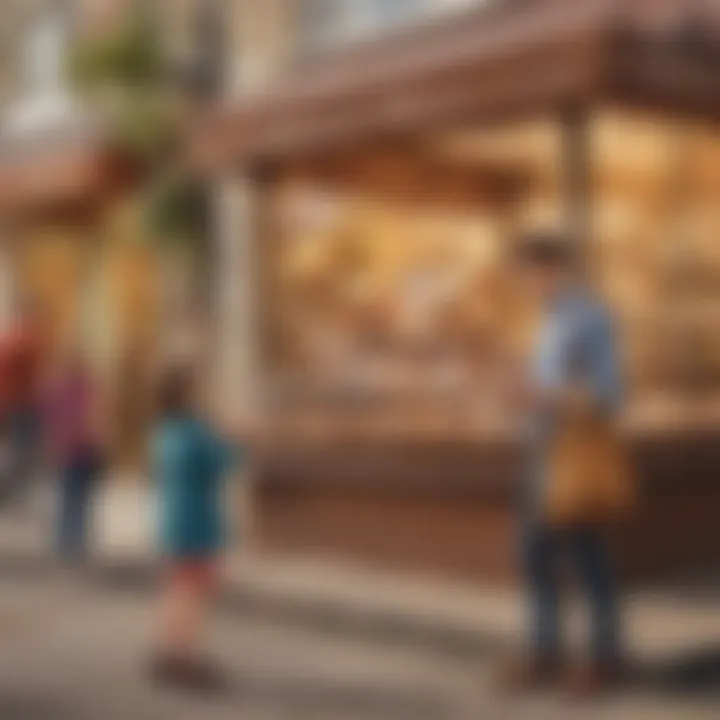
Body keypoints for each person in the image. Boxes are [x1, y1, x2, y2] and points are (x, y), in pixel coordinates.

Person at [503, 231, 623, 697]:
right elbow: (546, 385)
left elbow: (609, 394)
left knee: (588, 560)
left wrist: (540, 394)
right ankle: (545, 652)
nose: (527, 283)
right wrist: (520, 391)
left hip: (573, 458)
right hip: (540, 452)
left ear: (555, 270)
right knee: (534, 558)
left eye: (531, 273)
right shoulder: (546, 321)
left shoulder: (590, 318)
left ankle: (604, 658)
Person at [150, 366, 241, 689]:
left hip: (173, 520)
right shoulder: (194, 432)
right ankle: (187, 655)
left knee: (178, 588)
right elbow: (227, 461)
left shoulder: (165, 431)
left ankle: (168, 650)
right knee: (194, 591)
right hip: (198, 522)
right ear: (188, 394)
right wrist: (231, 434)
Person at [43, 350, 105, 566]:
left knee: (73, 498)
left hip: (76, 450)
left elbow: (93, 419)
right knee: (74, 498)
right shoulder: (77, 390)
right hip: (75, 450)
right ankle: (71, 541)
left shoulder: (70, 390)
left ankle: (71, 541)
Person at [0, 298, 44, 503]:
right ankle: (12, 493)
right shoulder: (24, 341)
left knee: (15, 451)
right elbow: (32, 379)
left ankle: (12, 492)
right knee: (20, 452)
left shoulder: (8, 340)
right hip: (21, 405)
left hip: (12, 405)